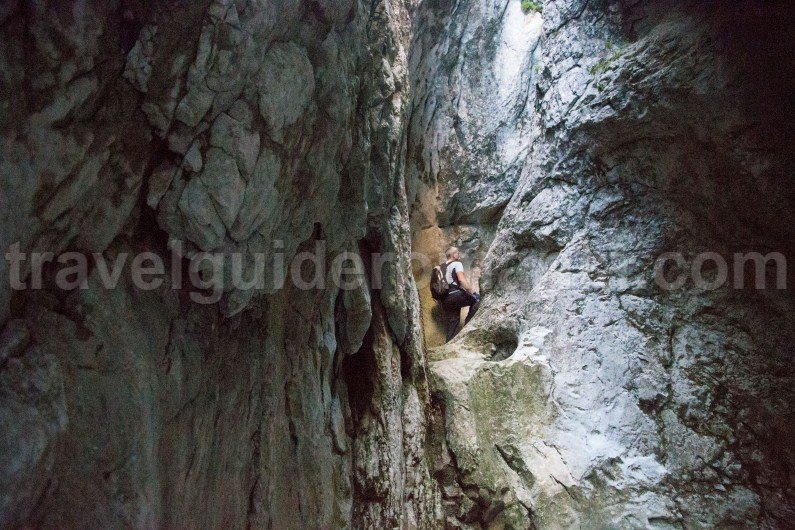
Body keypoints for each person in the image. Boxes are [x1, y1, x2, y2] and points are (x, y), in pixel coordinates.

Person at [441, 247, 480, 342]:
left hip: (445, 299)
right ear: (453, 255)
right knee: (477, 301)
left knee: (453, 322)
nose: (459, 254)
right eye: (457, 252)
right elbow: (461, 280)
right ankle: (467, 328)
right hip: (456, 295)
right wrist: (472, 293)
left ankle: (448, 344)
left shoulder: (440, 267)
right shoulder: (457, 264)